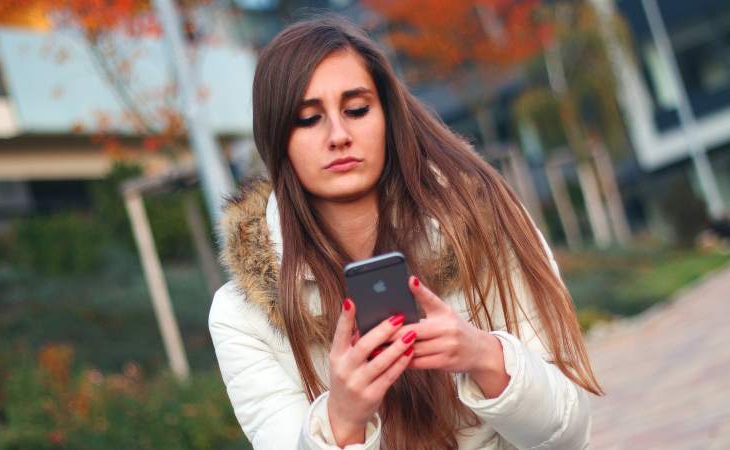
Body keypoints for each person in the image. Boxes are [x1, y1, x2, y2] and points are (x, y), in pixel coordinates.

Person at [209, 15, 603, 450]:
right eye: (308, 119)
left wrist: (485, 357)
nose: (339, 135)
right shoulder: (242, 316)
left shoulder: (486, 226)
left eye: (356, 110)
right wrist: (341, 420)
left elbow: (570, 434)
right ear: (275, 137)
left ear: (387, 115)